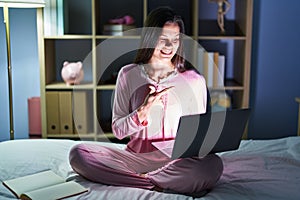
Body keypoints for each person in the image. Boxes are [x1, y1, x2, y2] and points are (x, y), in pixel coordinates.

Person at [69, 7, 223, 197]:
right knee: (78, 153)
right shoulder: (128, 74)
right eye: (163, 39)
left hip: (176, 161)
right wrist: (140, 113)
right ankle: (154, 183)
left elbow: (197, 134)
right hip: (135, 158)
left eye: (175, 40)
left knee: (213, 165)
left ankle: (146, 180)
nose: (169, 46)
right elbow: (118, 131)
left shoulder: (194, 80)